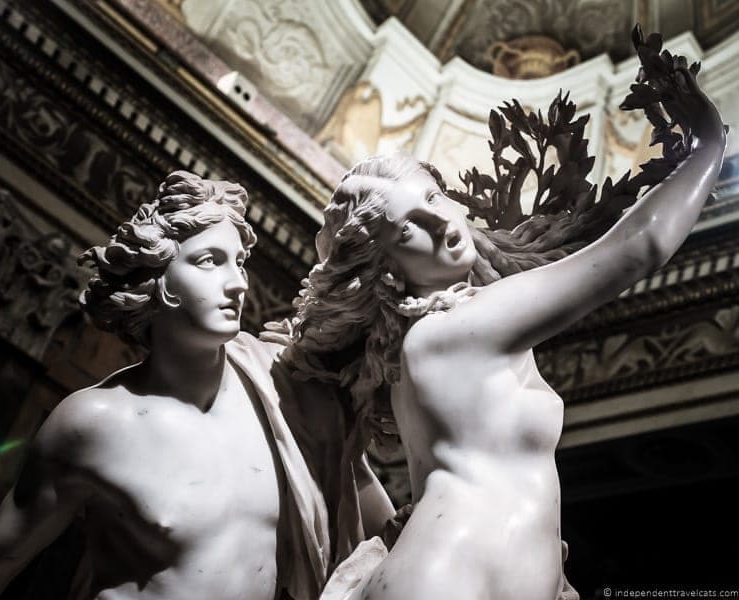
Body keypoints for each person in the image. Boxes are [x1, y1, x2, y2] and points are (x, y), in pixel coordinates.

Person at [281, 37, 727, 600]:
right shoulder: (453, 332)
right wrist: (710, 145)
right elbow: (638, 248)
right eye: (407, 228)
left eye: (435, 196)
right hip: (449, 579)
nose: (441, 220)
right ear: (387, 271)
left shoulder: (423, 347)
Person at [0, 171, 360, 600]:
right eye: (209, 261)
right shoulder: (97, 422)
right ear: (159, 277)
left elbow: (376, 528)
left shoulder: (280, 396)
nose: (237, 283)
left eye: (238, 262)